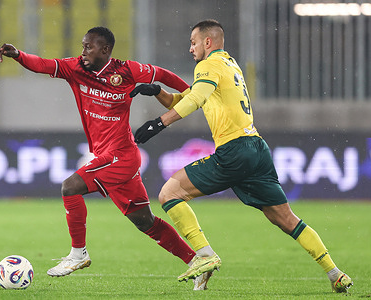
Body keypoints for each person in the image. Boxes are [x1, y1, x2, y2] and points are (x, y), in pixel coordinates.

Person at [130, 19, 353, 293]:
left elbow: (195, 100)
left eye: (193, 42)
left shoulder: (208, 65)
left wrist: (159, 123)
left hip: (235, 150)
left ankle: (204, 254)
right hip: (257, 148)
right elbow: (190, 97)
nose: (190, 49)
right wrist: (158, 92)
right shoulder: (229, 64)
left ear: (207, 42)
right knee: (285, 218)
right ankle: (335, 273)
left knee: (169, 193)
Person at [0, 27, 211, 290]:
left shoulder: (128, 71)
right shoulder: (75, 68)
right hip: (112, 156)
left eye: (89, 47)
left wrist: (190, 90)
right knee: (145, 221)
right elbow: (43, 65)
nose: (83, 51)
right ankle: (197, 262)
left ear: (105, 50)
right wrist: (18, 55)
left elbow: (162, 74)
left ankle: (78, 254)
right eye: (83, 45)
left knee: (70, 187)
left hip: (120, 155)